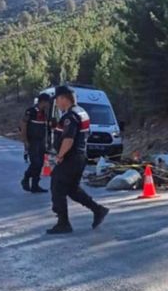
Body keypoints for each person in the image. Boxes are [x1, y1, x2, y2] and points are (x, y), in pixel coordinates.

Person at [47, 85, 109, 234]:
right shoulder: (81, 112)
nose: (57, 103)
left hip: (71, 157)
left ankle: (63, 223)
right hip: (79, 157)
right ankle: (98, 210)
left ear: (63, 98)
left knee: (57, 186)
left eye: (57, 99)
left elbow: (68, 139)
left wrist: (60, 156)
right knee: (72, 189)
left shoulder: (70, 116)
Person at [19, 93, 51, 193]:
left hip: (41, 142)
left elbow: (45, 129)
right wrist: (25, 141)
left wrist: (47, 142)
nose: (48, 104)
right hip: (32, 141)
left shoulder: (44, 113)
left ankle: (35, 185)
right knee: (35, 163)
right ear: (43, 101)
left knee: (40, 163)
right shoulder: (31, 111)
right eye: (48, 102)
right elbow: (23, 125)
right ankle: (25, 178)